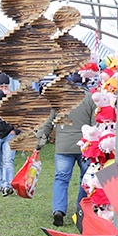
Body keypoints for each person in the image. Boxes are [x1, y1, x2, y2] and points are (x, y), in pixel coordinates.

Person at [36, 89, 98, 227]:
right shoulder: (90, 98)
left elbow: (47, 122)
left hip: (63, 146)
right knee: (86, 179)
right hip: (84, 146)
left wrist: (39, 142)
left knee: (61, 178)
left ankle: (58, 210)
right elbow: (95, 125)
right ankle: (81, 209)